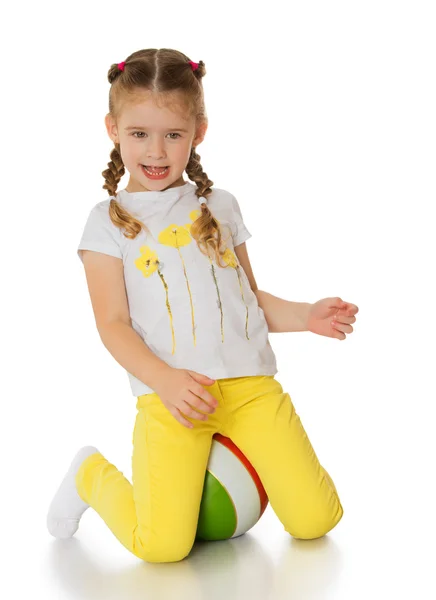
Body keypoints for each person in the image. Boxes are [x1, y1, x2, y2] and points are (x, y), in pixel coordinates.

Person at [46, 48, 359, 564]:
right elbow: (112, 325)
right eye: (139, 134)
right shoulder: (106, 223)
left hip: (252, 389)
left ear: (199, 131)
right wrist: (165, 381)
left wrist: (306, 316)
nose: (156, 150)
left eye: (173, 134)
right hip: (173, 400)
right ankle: (89, 474)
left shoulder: (221, 207)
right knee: (163, 549)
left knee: (314, 520)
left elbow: (248, 300)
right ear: (112, 129)